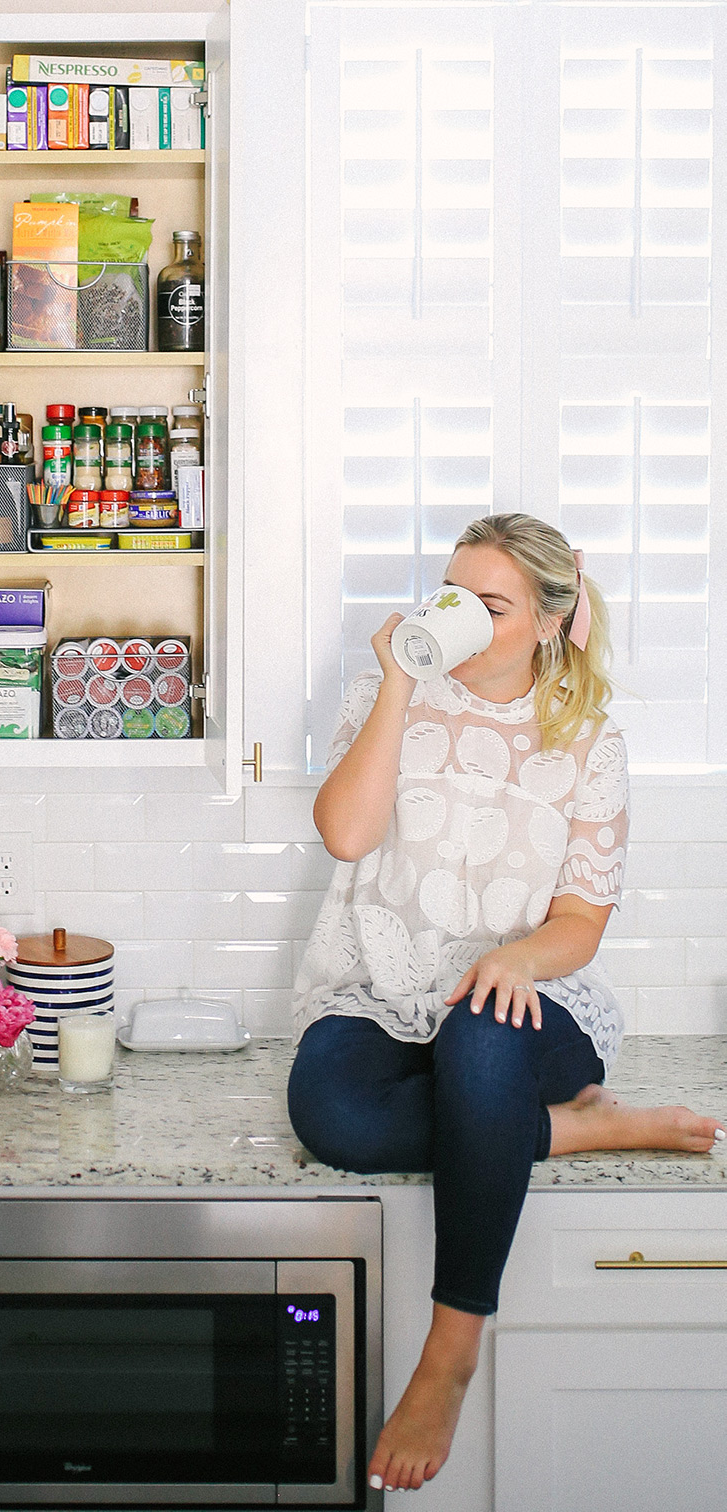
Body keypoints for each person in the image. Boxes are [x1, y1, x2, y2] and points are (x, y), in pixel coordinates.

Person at [287, 513, 725, 1494]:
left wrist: (517, 962)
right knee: (333, 1117)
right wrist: (400, 681)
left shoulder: (587, 741)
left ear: (546, 619)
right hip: (384, 986)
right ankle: (584, 1133)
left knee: (479, 1036)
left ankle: (449, 1352)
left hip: (532, 1001)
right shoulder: (385, 692)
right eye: (450, 595)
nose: (460, 618)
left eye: (487, 605)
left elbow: (578, 920)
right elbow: (348, 839)